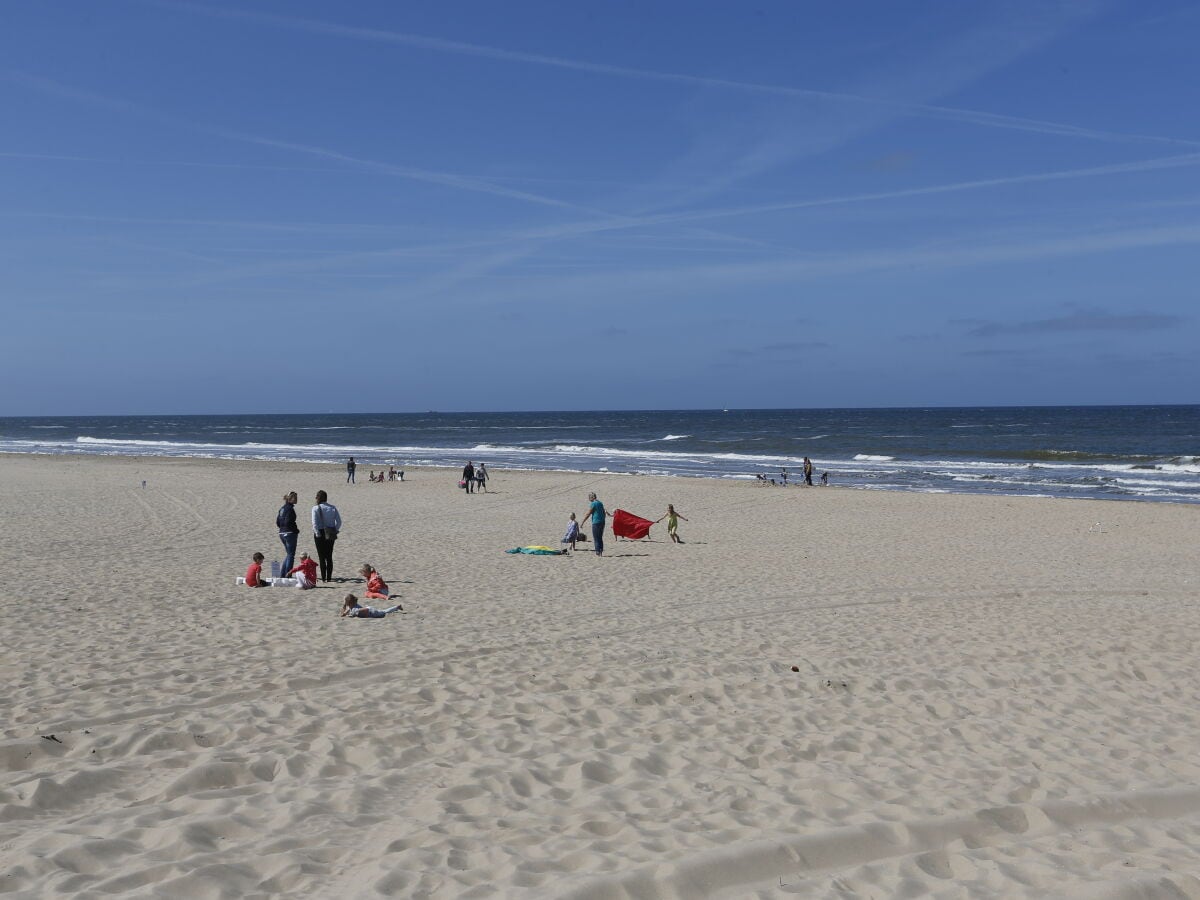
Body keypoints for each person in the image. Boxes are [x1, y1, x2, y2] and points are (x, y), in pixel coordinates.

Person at [312, 490, 342, 583]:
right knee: (329, 556)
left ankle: (324, 578)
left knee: (321, 556)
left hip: (320, 532)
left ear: (318, 498)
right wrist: (335, 530)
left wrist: (317, 533)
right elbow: (339, 522)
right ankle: (329, 577)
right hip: (331, 531)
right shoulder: (332, 507)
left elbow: (314, 523)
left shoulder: (315, 508)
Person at [275, 491, 300, 579]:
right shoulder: (290, 509)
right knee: (291, 555)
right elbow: (288, 522)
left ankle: (283, 574)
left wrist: (283, 528)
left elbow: (278, 522)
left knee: (289, 554)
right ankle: (288, 575)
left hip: (281, 533)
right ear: (290, 498)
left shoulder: (282, 508)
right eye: (295, 498)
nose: (296, 499)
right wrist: (295, 530)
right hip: (289, 533)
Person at [582, 492, 611, 557]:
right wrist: (603, 519)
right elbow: (604, 513)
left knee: (596, 538)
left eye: (589, 498)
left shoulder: (593, 504)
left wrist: (583, 522)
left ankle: (597, 551)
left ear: (592, 497)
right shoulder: (600, 503)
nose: (589, 499)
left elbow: (588, 513)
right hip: (602, 522)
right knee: (600, 537)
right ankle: (601, 551)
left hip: (596, 522)